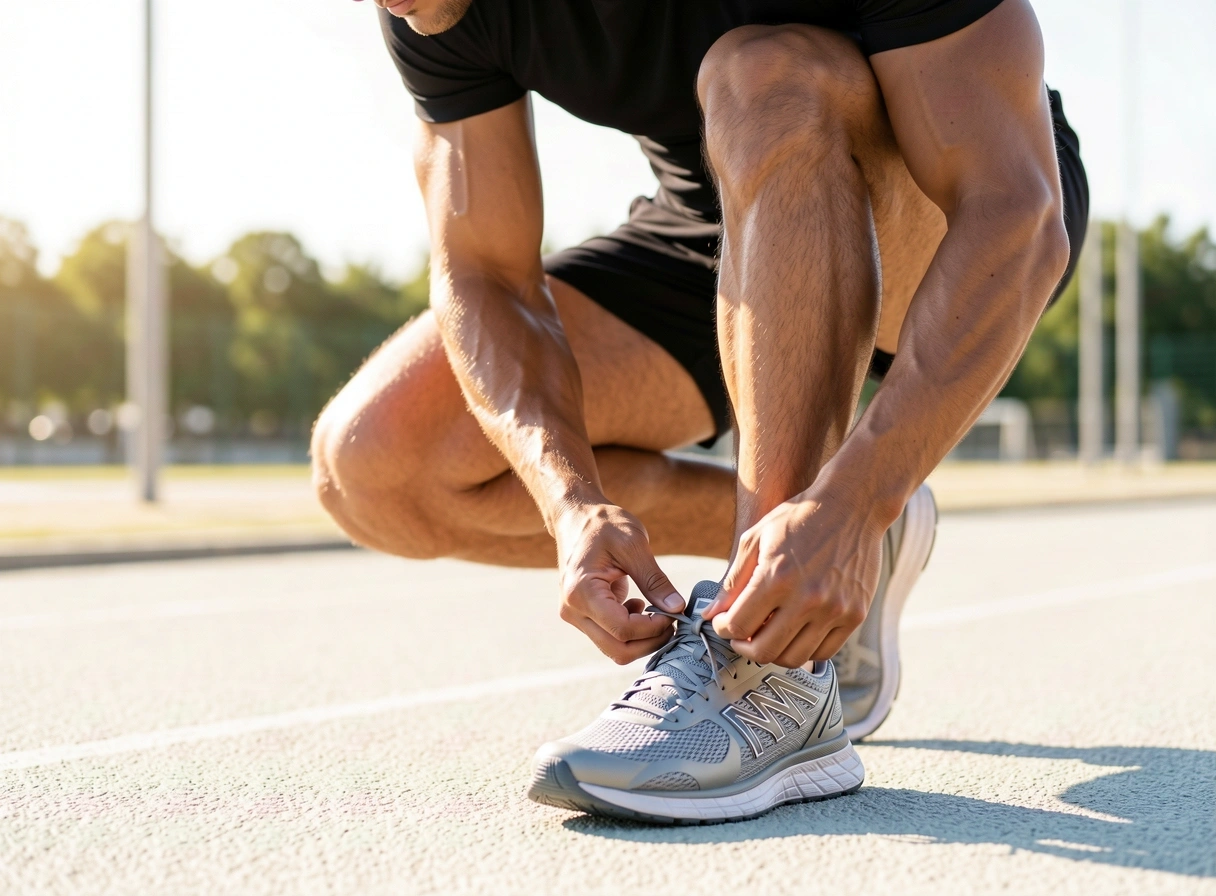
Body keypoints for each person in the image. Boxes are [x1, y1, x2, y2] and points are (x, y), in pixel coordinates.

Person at [316, 0, 1088, 823]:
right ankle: (794, 570)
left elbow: (1016, 207)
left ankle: (769, 673)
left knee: (762, 71)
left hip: (941, 218)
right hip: (723, 217)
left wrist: (859, 497)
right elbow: (486, 274)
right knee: (377, 463)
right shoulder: (429, 8)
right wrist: (570, 502)